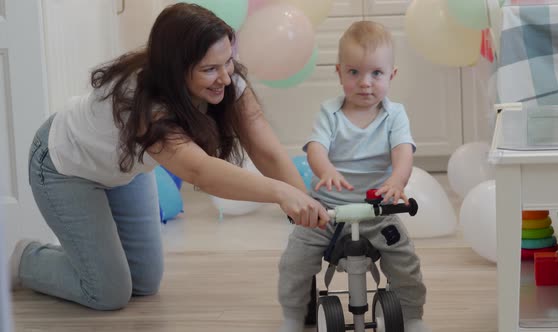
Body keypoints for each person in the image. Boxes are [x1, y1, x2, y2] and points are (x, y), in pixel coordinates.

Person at [9, 3, 329, 310]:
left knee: (145, 283)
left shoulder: (227, 80)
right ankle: (23, 259)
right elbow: (200, 172)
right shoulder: (144, 104)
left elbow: (266, 150)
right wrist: (279, 193)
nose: (226, 77)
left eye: (228, 62)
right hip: (65, 166)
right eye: (209, 69)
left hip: (121, 171)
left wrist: (309, 211)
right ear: (176, 70)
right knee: (108, 293)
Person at [278, 21, 430, 332]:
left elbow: (403, 152)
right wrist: (327, 170)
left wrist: (396, 182)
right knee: (295, 261)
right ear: (339, 72)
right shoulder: (330, 113)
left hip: (377, 210)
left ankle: (413, 316)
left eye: (376, 73)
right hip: (328, 212)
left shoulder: (394, 114)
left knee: (405, 261)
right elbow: (316, 148)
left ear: (392, 75)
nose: (365, 83)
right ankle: (292, 316)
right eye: (354, 72)